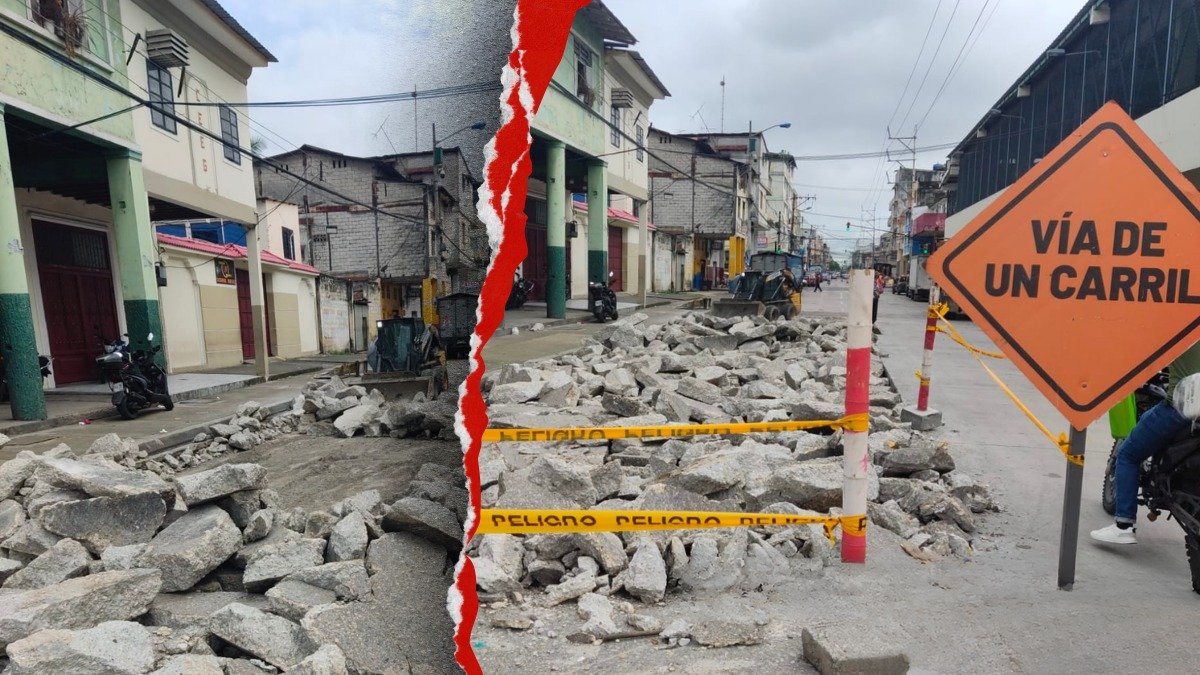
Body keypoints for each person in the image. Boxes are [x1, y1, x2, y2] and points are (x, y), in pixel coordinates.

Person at [1091, 341, 1200, 544]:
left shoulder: (1184, 327)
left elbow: (1146, 349)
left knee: (1128, 455)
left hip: (1181, 409)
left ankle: (1123, 526)